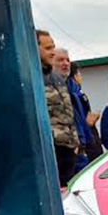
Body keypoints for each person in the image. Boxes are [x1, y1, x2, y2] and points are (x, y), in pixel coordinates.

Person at [36, 29, 80, 185]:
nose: (52, 52)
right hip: (49, 150)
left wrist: (75, 141)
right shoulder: (31, 77)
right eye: (48, 48)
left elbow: (68, 113)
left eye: (52, 47)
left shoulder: (57, 77)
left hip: (68, 148)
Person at [68, 61, 103, 168]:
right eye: (79, 73)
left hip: (89, 137)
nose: (81, 77)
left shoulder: (77, 93)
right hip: (85, 139)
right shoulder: (75, 94)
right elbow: (84, 119)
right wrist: (89, 121)